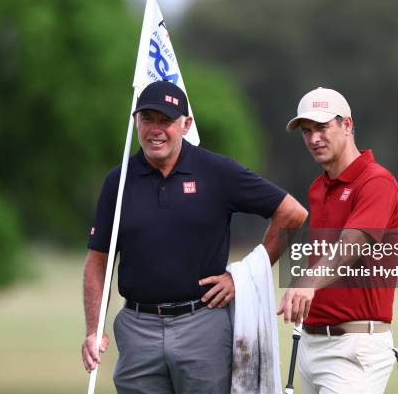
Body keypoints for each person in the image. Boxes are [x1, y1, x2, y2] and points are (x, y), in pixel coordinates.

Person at [81, 80, 307, 394]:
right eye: (147, 119)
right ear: (135, 121)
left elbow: (293, 213)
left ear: (186, 125)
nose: (155, 129)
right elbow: (98, 260)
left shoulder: (216, 171)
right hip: (137, 328)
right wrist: (94, 330)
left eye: (166, 121)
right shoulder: (117, 182)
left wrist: (242, 276)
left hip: (202, 325)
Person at [279, 87, 398, 393]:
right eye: (306, 132)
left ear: (347, 125)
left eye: (321, 128)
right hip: (310, 343)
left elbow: (352, 243)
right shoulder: (317, 188)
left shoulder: (377, 181)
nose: (313, 139)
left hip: (355, 348)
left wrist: (307, 282)